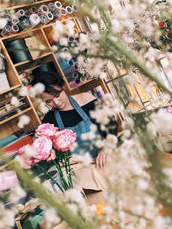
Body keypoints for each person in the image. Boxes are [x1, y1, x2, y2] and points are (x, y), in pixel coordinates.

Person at [32, 71, 118, 203]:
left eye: (57, 94)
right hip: (82, 171)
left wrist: (106, 148)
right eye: (49, 101)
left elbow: (111, 124)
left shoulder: (86, 99)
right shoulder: (49, 121)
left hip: (104, 159)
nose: (56, 102)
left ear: (63, 87)